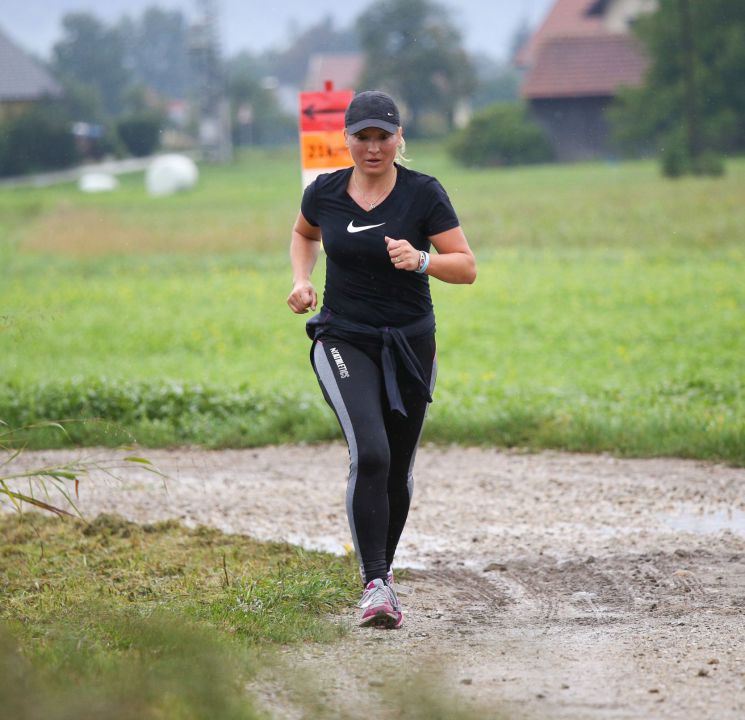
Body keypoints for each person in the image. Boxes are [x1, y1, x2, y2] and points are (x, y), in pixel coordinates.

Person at [287, 90, 476, 629]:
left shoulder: (423, 194)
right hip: (343, 338)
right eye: (362, 137)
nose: (373, 148)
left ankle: (382, 577)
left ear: (399, 140)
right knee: (369, 452)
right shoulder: (323, 192)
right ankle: (375, 584)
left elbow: (465, 266)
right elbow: (304, 235)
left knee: (396, 465)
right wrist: (301, 280)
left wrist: (421, 261)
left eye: (383, 137)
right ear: (345, 140)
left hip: (411, 345)